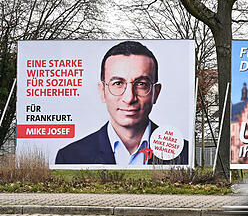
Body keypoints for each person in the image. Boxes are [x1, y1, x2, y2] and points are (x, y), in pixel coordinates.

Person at [55, 41, 189, 165]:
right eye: (118, 83)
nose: (130, 98)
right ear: (102, 91)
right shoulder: (70, 157)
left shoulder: (184, 154)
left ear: (156, 93)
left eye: (141, 84)